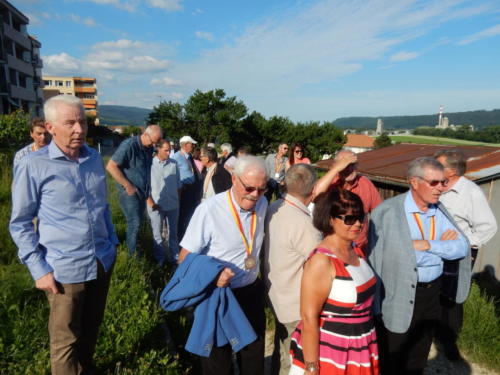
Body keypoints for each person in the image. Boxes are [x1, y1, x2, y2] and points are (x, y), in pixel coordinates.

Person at [9, 95, 118, 375]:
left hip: (100, 260)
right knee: (65, 342)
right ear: (50, 127)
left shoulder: (94, 158)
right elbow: (20, 222)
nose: (79, 129)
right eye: (70, 123)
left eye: (82, 121)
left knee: (91, 331)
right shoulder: (33, 164)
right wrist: (39, 270)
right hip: (63, 269)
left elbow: (102, 206)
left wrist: (112, 243)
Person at [368, 157, 470, 374]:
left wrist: (426, 245)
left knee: (419, 353)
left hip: (432, 293)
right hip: (397, 293)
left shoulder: (440, 210)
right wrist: (441, 248)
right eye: (434, 183)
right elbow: (396, 258)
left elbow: (462, 247)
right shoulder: (387, 212)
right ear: (414, 182)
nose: (441, 188)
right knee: (392, 355)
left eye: (443, 182)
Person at [178, 155, 269, 375]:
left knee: (253, 356)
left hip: (250, 291)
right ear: (234, 179)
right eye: (249, 188)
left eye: (261, 189)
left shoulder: (262, 203)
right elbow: (184, 258)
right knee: (218, 360)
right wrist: (213, 275)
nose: (255, 194)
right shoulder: (209, 210)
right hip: (218, 295)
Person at [289, 188, 379, 375]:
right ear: (330, 219)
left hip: (360, 343)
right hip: (331, 350)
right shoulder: (321, 262)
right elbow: (309, 317)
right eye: (349, 219)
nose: (357, 224)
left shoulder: (355, 250)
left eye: (360, 217)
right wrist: (311, 367)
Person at [434, 149, 497, 360]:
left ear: (451, 171)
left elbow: (488, 226)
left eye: (438, 165)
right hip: (435, 250)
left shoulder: (470, 192)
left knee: (453, 296)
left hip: (459, 254)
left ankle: (450, 343)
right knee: (433, 292)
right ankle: (433, 334)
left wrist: (465, 245)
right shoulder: (437, 187)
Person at [264, 164, 321, 375]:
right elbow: (321, 267)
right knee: (294, 359)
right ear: (313, 189)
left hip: (276, 295)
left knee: (281, 350)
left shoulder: (273, 208)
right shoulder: (305, 224)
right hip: (295, 304)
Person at [106, 124, 163, 255]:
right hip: (129, 193)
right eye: (153, 141)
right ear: (145, 135)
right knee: (135, 222)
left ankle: (138, 249)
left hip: (142, 193)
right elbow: (111, 166)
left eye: (157, 142)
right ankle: (132, 255)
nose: (154, 145)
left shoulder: (149, 148)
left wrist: (148, 196)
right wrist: (127, 185)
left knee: (140, 224)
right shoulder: (129, 145)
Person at [315, 149, 381, 253]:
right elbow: (315, 195)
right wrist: (336, 169)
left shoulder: (365, 184)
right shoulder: (331, 183)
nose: (348, 168)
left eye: (352, 164)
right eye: (344, 165)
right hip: (334, 248)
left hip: (360, 249)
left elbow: (380, 213)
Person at [146, 139, 181, 265]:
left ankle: (175, 258)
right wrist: (150, 202)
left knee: (173, 234)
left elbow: (178, 185)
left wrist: (178, 200)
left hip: (173, 204)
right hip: (156, 205)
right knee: (157, 234)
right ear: (158, 149)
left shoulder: (174, 164)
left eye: (169, 150)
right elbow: (145, 187)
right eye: (166, 150)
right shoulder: (149, 164)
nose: (168, 153)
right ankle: (160, 260)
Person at [172, 135, 202, 240]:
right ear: (185, 145)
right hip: (183, 190)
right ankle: (180, 239)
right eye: (191, 144)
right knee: (183, 217)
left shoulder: (188, 157)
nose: (193, 146)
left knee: (189, 215)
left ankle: (186, 238)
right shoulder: (176, 157)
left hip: (191, 190)